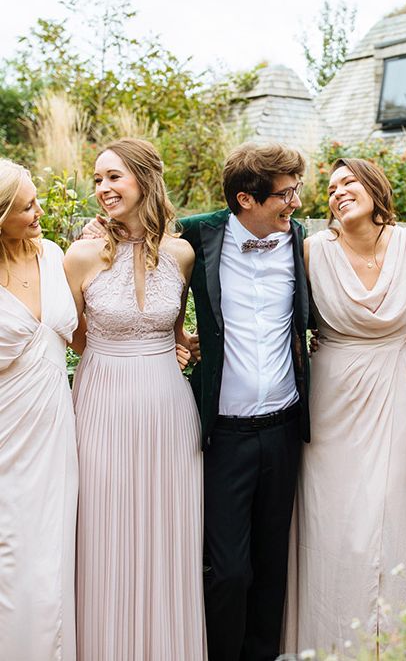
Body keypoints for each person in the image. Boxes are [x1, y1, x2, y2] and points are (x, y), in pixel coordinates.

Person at [81, 141, 311, 661]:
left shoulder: (299, 237)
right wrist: (103, 226)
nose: (295, 202)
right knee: (227, 568)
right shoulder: (195, 237)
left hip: (283, 424)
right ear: (246, 199)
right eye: (287, 193)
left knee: (273, 564)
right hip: (221, 429)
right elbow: (140, 236)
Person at [64, 138, 205, 660]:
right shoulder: (79, 257)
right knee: (105, 535)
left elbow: (176, 329)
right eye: (97, 179)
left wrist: (180, 346)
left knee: (168, 536)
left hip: (169, 408)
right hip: (102, 403)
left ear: (145, 178)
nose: (102, 189)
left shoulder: (182, 254)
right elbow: (75, 338)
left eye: (113, 177)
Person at [285, 158, 406, 656]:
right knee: (336, 525)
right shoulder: (311, 250)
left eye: (348, 182)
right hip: (333, 404)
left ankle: (392, 643)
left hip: (394, 398)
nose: (338, 191)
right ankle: (329, 642)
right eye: (330, 188)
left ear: (374, 187)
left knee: (388, 517)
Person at [0, 159, 78, 661]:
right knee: (11, 558)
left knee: (51, 561)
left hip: (55, 431)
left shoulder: (54, 255)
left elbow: (90, 332)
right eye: (28, 205)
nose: (40, 211)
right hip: (6, 436)